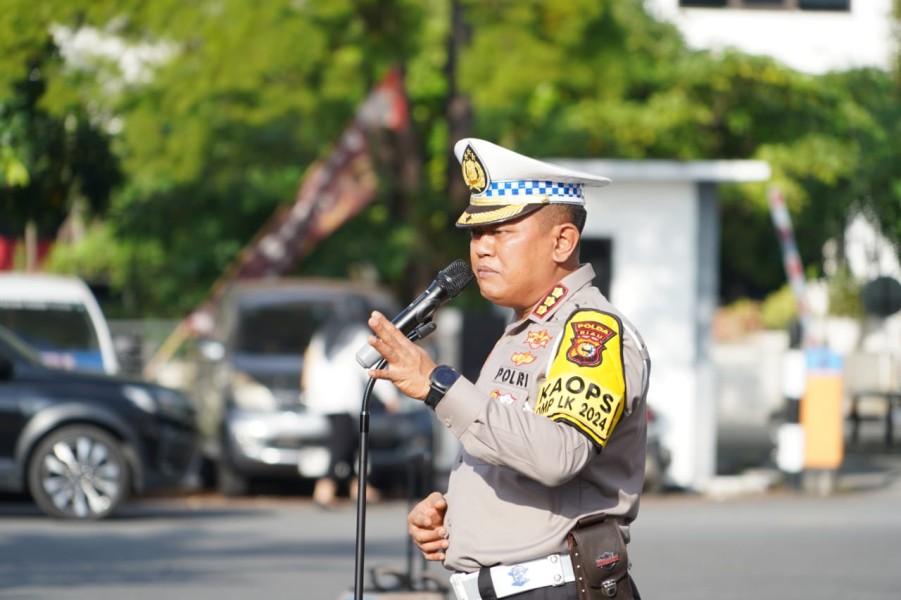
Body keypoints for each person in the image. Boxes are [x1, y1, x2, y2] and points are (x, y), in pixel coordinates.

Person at [364, 138, 651, 599]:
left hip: (553, 587)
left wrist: (438, 385)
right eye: (478, 234)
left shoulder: (589, 332)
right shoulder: (523, 330)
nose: (482, 249)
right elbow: (511, 449)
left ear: (562, 241)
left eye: (503, 232)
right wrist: (453, 514)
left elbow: (559, 455)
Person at [302, 294, 399, 507]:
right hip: (345, 400)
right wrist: (391, 397)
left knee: (354, 443)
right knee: (342, 444)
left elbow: (310, 366)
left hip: (323, 399)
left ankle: (360, 487)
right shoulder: (358, 336)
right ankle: (324, 488)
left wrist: (309, 394)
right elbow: (372, 370)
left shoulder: (322, 335)